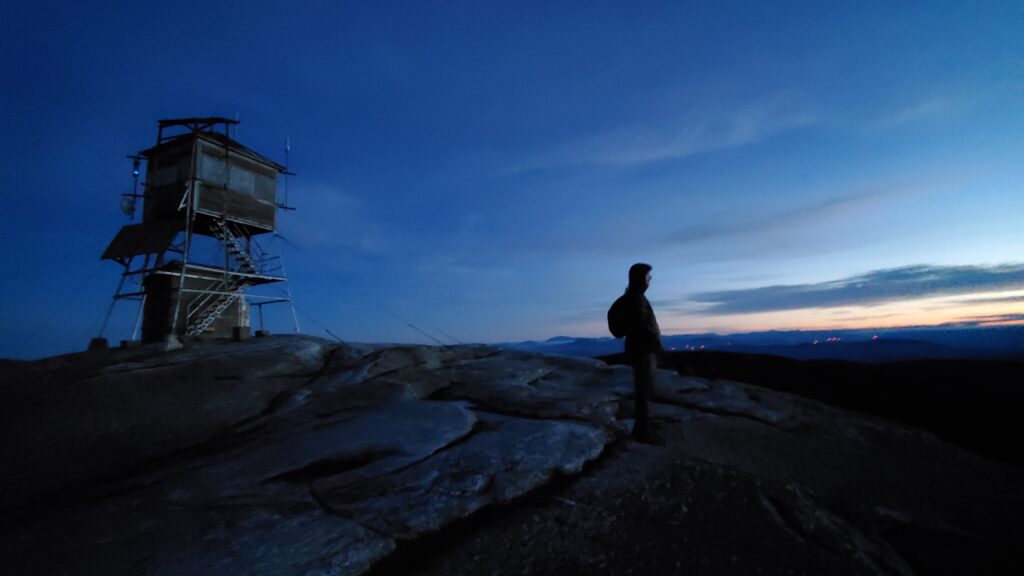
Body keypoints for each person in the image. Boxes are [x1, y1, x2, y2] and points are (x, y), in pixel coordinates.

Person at [622, 262, 663, 443]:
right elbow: (643, 327)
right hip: (642, 351)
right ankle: (644, 431)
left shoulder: (635, 297)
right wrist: (656, 344)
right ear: (640, 278)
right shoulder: (637, 299)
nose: (650, 279)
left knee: (644, 389)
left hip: (641, 350)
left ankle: (644, 426)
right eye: (648, 276)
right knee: (644, 390)